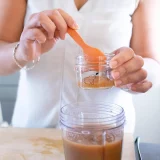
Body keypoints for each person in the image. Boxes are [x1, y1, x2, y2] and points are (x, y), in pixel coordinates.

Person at [0, 0, 159, 132]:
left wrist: (136, 72)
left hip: (108, 134)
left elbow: (152, 64)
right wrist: (21, 52)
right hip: (34, 131)